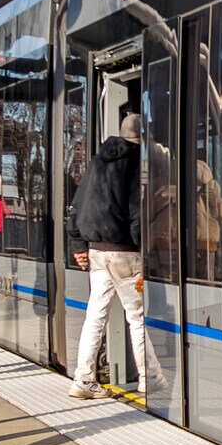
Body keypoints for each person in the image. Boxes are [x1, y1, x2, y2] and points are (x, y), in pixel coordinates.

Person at [67, 114, 164, 400]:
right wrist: (143, 249)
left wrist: (78, 245)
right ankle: (151, 378)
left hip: (97, 251)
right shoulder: (135, 163)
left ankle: (83, 379)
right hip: (125, 253)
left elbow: (77, 206)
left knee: (95, 316)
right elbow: (136, 213)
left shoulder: (97, 163)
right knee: (137, 316)